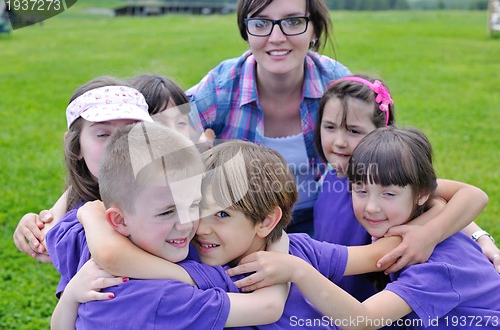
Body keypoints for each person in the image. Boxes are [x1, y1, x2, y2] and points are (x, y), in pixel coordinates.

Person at [77, 140, 416, 329]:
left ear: (266, 221)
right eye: (197, 207)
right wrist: (86, 211)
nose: (200, 226)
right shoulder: (186, 257)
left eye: (222, 214)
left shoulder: (301, 251)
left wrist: (439, 227)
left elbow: (380, 255)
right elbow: (111, 253)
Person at [227, 127, 500, 330]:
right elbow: (334, 258)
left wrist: (298, 271)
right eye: (361, 190)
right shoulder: (407, 223)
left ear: (421, 194)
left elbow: (363, 320)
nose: (371, 207)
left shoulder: (440, 265)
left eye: (388, 194)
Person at [51, 122, 289, 329]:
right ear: (119, 221)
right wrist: (279, 246)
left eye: (195, 205)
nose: (187, 224)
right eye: (167, 212)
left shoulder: (84, 238)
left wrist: (71, 296)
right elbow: (267, 307)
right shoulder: (163, 297)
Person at [311, 75, 498, 302]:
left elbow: (465, 198)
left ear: (382, 132)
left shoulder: (391, 187)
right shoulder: (331, 177)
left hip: (372, 307)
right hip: (327, 294)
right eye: (330, 127)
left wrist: (478, 238)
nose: (339, 141)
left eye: (354, 131)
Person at [186, 0, 351, 235]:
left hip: (325, 222)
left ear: (314, 29)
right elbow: (148, 143)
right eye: (261, 23)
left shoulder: (335, 83)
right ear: (247, 32)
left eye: (293, 22)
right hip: (245, 229)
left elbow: (392, 159)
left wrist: (425, 229)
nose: (276, 38)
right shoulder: (222, 86)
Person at [12, 73, 211, 262]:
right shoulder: (78, 223)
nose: (118, 143)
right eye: (102, 134)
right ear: (75, 145)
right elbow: (111, 259)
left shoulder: (180, 184)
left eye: (132, 131)